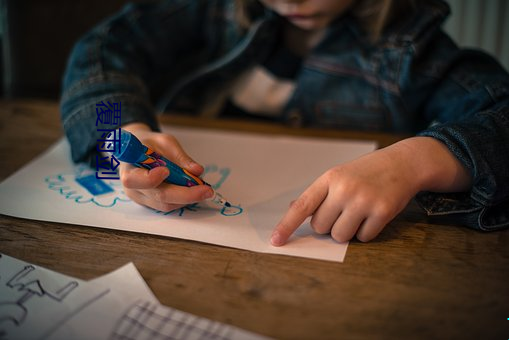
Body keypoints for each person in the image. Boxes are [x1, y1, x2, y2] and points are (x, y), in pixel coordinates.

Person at [60, 0, 509, 246]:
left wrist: (417, 160)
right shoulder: (209, 9)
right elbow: (102, 52)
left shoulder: (416, 48)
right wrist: (123, 136)